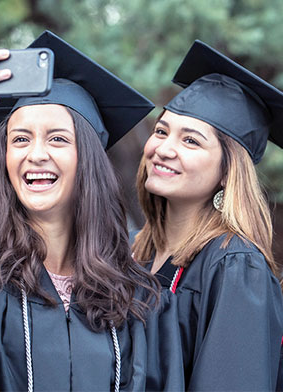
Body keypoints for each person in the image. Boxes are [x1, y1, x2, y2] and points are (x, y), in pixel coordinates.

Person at [0, 31, 184, 391]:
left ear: (87, 160)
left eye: (58, 138)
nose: (36, 153)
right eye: (20, 139)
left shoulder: (137, 293)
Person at [132, 39, 283, 390]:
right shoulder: (136, 252)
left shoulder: (235, 266)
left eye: (191, 141)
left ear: (228, 172)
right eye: (161, 131)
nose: (164, 149)